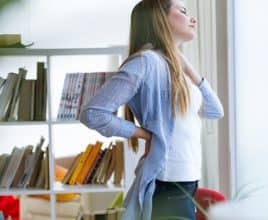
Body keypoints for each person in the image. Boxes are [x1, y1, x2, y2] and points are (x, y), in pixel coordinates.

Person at [79, 0, 224, 219]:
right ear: (160, 19)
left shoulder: (175, 67)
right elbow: (93, 113)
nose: (192, 19)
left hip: (186, 181)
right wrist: (145, 134)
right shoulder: (146, 62)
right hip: (168, 184)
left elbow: (215, 111)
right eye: (183, 12)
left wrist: (187, 67)